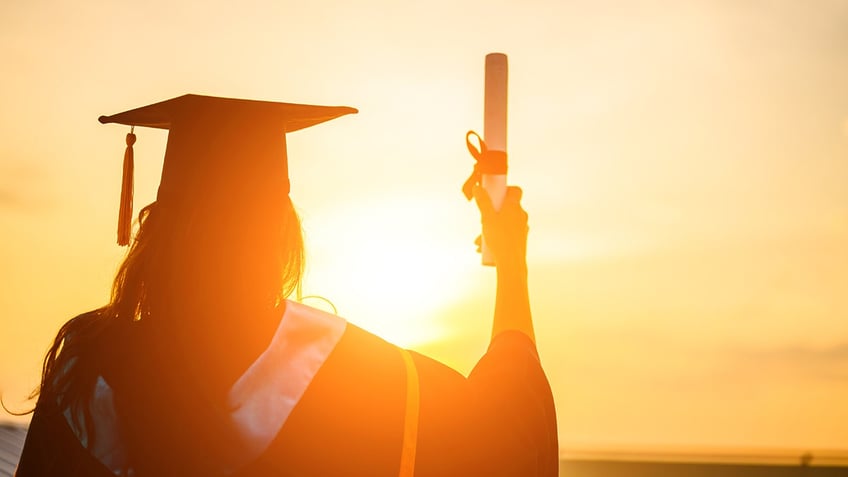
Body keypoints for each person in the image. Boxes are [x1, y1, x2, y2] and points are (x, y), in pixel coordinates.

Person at [14, 94, 558, 476]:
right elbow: (510, 430)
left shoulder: (83, 386)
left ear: (156, 230)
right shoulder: (376, 388)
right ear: (280, 229)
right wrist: (511, 261)